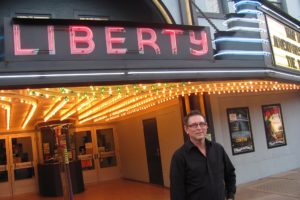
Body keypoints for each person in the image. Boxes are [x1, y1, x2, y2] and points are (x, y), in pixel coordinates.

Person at [170, 110, 236, 200]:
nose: (199, 128)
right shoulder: (179, 156)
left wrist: (230, 196)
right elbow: (177, 191)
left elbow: (230, 174)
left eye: (202, 124)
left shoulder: (218, 149)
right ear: (186, 129)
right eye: (194, 125)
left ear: (207, 126)